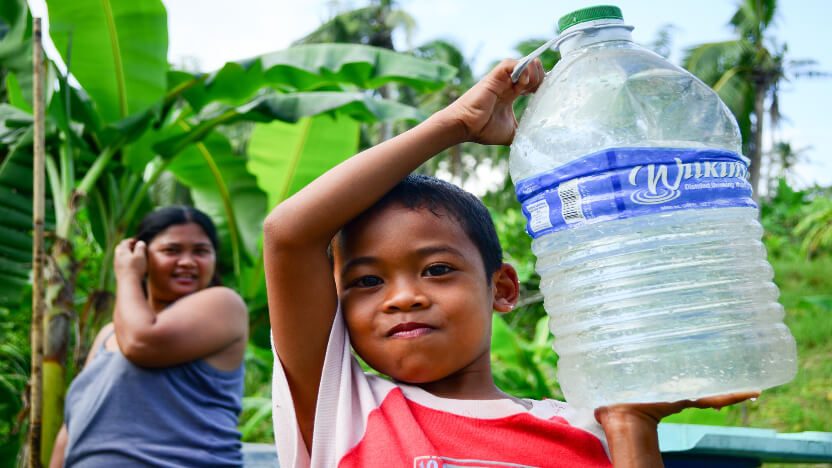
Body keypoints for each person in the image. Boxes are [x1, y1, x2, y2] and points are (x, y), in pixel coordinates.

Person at [263, 58, 755, 467]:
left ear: (502, 288)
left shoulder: (587, 428)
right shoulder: (341, 409)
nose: (404, 297)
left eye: (436, 269)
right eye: (367, 280)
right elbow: (288, 235)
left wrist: (632, 423)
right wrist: (456, 125)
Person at [49, 206, 249, 467]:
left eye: (201, 251)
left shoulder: (223, 305)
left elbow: (139, 342)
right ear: (142, 255)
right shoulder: (108, 333)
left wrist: (127, 274)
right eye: (172, 250)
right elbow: (71, 427)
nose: (187, 261)